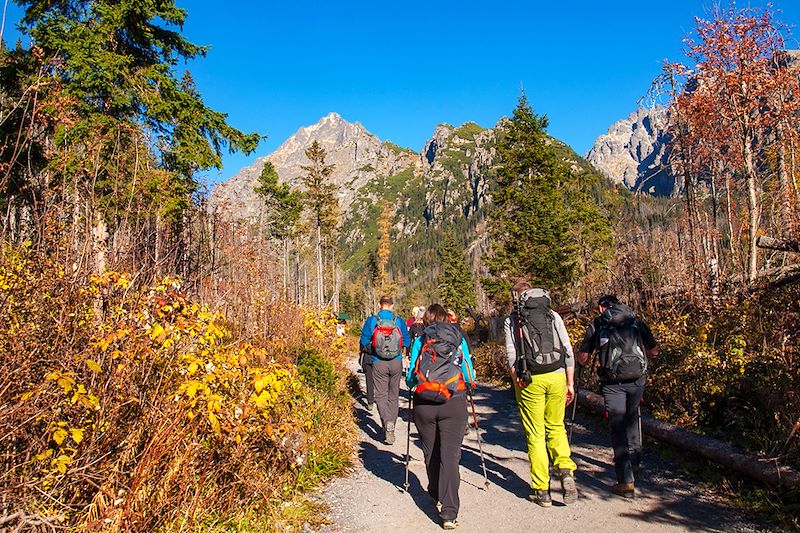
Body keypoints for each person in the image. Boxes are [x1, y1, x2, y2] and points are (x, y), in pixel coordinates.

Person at [577, 295, 658, 498]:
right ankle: (635, 465)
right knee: (633, 420)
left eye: (598, 308)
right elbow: (654, 351)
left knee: (617, 427)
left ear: (603, 307)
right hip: (637, 380)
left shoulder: (598, 323)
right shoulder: (635, 320)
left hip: (612, 384)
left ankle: (625, 480)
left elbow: (584, 358)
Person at [504, 281, 578, 507]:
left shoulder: (512, 320)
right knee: (556, 426)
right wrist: (570, 382)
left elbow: (510, 353)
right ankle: (565, 470)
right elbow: (567, 350)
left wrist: (516, 377)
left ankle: (542, 490)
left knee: (535, 434)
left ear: (517, 298)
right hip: (556, 375)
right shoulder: (552, 314)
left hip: (529, 380)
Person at [406, 303, 475, 530]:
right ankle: (449, 513)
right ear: (447, 319)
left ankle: (435, 492)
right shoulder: (458, 339)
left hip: (425, 402)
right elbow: (469, 373)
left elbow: (410, 376)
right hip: (453, 401)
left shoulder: (420, 339)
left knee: (430, 452)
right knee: (450, 456)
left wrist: (414, 385)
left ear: (426, 320)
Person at [359, 295, 410, 445]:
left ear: (380, 305)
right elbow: (406, 341)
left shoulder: (372, 320)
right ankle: (391, 425)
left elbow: (363, 341)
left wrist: (373, 349)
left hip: (378, 361)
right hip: (396, 362)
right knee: (393, 395)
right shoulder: (398, 321)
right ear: (392, 306)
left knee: (380, 395)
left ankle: (387, 422)